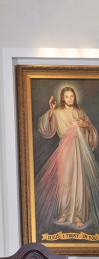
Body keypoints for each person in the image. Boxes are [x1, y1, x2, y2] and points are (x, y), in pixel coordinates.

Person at [35, 86, 99, 233]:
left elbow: (92, 131)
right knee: (65, 180)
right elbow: (45, 128)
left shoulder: (81, 112)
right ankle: (64, 213)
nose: (70, 99)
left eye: (72, 96)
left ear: (74, 97)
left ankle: (78, 216)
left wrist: (86, 125)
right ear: (62, 98)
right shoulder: (57, 112)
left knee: (79, 181)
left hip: (80, 148)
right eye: (67, 96)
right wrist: (51, 110)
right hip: (65, 149)